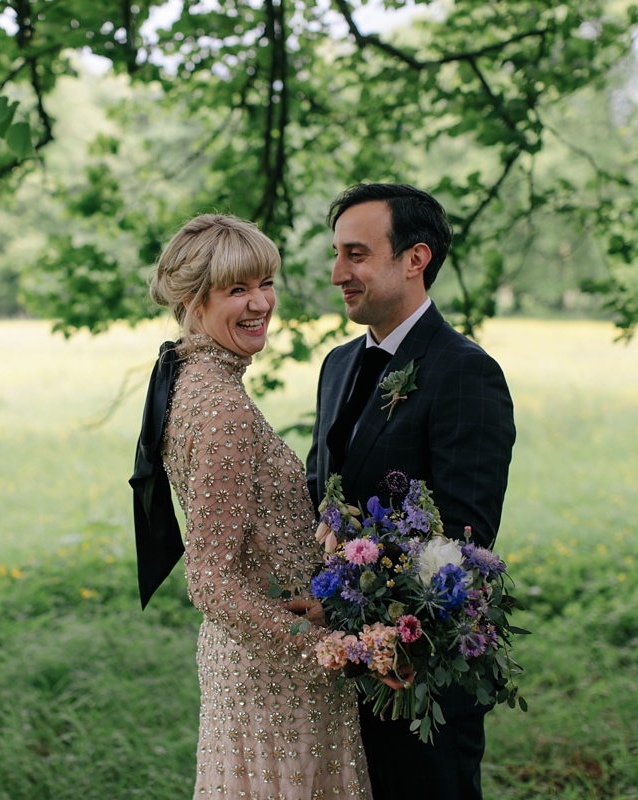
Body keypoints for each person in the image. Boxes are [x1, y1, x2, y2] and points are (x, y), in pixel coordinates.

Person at [130, 214, 372, 799]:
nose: (260, 302)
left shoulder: (195, 381)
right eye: (237, 290)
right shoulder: (220, 408)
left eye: (265, 282)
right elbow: (209, 579)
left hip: (257, 663)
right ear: (193, 301)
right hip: (277, 678)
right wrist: (326, 648)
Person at [304, 184, 517, 800]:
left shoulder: (464, 371)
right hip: (341, 673)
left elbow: (462, 539)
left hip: (420, 675)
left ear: (415, 259)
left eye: (356, 254)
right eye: (337, 254)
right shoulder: (338, 364)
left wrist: (354, 614)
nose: (338, 273)